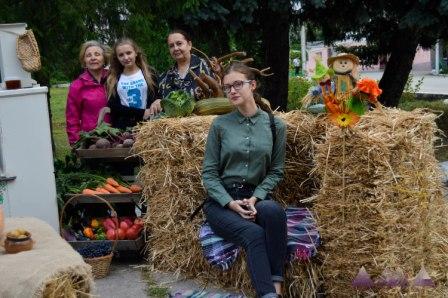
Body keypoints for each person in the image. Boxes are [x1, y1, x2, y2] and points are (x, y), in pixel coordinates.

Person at [202, 62, 287, 298]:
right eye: (227, 87)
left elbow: (276, 170)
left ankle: (277, 284)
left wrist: (255, 197)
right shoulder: (219, 125)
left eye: (237, 84)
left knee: (274, 212)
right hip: (222, 202)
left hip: (255, 197)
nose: (232, 91)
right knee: (254, 234)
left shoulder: (275, 125)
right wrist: (230, 203)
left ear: (253, 85)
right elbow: (208, 174)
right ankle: (269, 295)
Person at [107, 38, 160, 129]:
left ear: (135, 53)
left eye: (128, 53)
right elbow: (113, 106)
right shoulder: (113, 78)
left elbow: (157, 96)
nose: (126, 58)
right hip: (124, 129)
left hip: (149, 126)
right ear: (117, 58)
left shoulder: (149, 73)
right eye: (121, 55)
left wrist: (158, 101)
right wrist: (141, 113)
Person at [66, 40, 110, 145]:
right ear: (84, 61)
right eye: (88, 55)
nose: (93, 58)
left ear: (104, 59)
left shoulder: (115, 79)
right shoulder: (77, 86)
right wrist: (75, 142)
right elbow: (72, 118)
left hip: (118, 136)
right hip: (91, 140)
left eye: (97, 54)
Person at [159, 29, 212, 101]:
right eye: (171, 46)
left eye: (179, 43)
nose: (175, 48)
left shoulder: (207, 66)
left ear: (189, 45)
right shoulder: (165, 77)